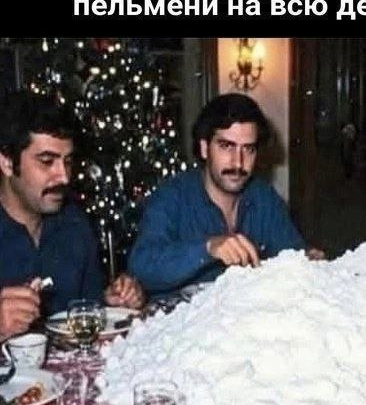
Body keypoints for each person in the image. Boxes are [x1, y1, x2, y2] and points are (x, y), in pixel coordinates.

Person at [129, 93, 324, 298]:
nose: (238, 162)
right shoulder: (172, 197)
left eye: (248, 149)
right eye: (226, 146)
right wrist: (208, 248)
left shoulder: (264, 198)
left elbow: (293, 255)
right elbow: (141, 267)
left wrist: (308, 258)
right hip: (181, 315)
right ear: (205, 148)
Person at [0, 92, 144, 340]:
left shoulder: (74, 223)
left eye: (67, 161)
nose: (64, 177)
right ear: (7, 163)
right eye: (47, 161)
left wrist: (112, 302)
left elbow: (88, 312)